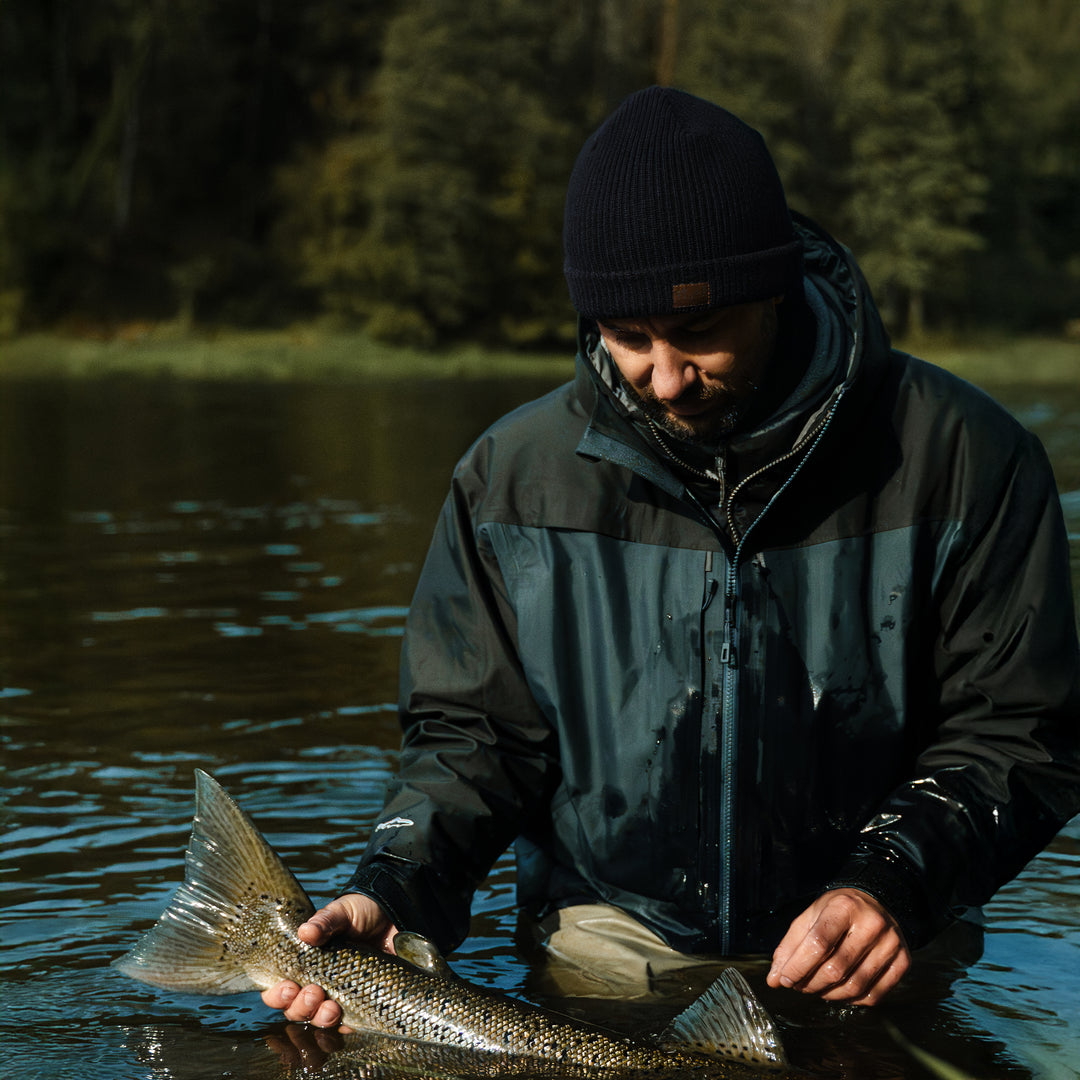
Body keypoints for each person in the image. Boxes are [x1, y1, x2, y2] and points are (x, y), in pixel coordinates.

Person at [264, 86, 1080, 1027]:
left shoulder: (969, 457)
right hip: (610, 951)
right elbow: (474, 737)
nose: (663, 376)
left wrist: (898, 875)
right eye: (627, 336)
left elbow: (1021, 727)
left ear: (772, 287)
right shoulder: (509, 478)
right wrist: (396, 885)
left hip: (879, 954)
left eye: (699, 334)